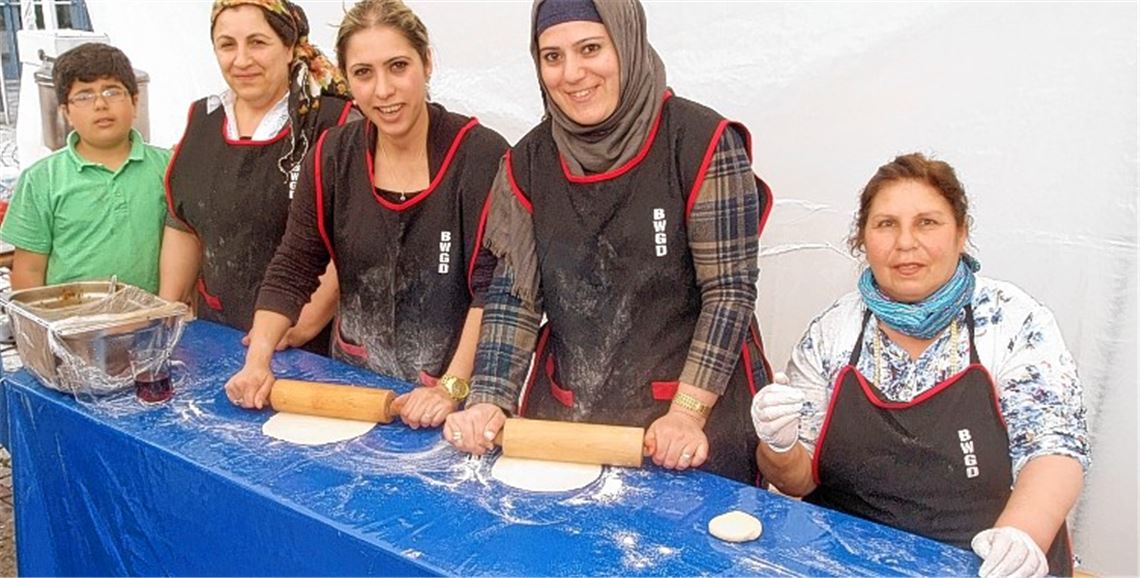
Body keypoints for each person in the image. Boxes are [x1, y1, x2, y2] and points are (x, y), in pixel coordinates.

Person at [444, 0, 773, 485]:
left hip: (694, 425)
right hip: (574, 417)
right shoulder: (527, 163)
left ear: (626, 43)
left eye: (590, 49)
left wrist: (687, 412)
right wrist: (489, 398)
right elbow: (514, 299)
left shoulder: (702, 143)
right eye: (552, 57)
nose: (571, 73)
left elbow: (729, 293)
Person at [752, 153, 1089, 577]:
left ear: (961, 233)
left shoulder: (1012, 321)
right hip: (846, 558)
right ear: (862, 239)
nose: (906, 242)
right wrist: (779, 446)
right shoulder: (834, 332)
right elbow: (797, 481)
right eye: (886, 224)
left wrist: (1021, 536)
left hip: (982, 561)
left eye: (927, 222)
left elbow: (1054, 449)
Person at [223, 0, 509, 429]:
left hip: (453, 402)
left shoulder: (481, 156)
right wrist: (257, 361)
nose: (383, 90)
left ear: (427, 62)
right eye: (363, 73)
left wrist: (450, 388)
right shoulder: (334, 154)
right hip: (354, 387)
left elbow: (494, 291)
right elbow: (294, 264)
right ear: (347, 79)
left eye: (398, 66)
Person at [161, 0, 356, 355]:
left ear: (289, 47)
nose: (241, 60)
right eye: (227, 45)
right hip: (218, 334)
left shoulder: (336, 124)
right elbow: (183, 223)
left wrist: (298, 327)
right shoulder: (202, 120)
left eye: (257, 43)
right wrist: (167, 314)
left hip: (308, 344)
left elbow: (354, 238)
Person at [0, 43, 169, 292]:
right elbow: (29, 270)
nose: (100, 104)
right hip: (70, 314)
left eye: (112, 92)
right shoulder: (41, 179)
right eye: (84, 96)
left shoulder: (168, 167)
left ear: (135, 102)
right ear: (66, 112)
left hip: (155, 313)